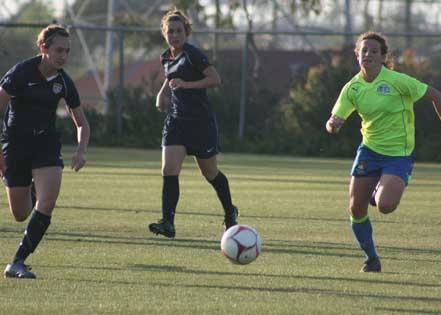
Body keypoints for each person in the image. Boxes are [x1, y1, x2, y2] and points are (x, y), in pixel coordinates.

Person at [326, 31, 441, 272]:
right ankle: (371, 259)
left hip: (398, 154)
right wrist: (333, 125)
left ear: (383, 57)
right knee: (356, 209)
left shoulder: (397, 81)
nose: (368, 54)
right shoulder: (352, 88)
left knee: (386, 205)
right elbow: (335, 118)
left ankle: (378, 192)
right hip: (369, 151)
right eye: (364, 51)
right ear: (357, 56)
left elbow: (435, 95)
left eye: (374, 51)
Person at [0, 24, 90, 279]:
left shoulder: (63, 82)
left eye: (67, 51)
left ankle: (17, 262)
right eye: (59, 50)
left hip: (46, 145)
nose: (63, 56)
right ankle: (31, 187)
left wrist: (82, 150)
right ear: (43, 48)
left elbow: (82, 122)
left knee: (47, 202)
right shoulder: (21, 73)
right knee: (20, 214)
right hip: (15, 146)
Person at [148, 9, 238, 238]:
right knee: (169, 170)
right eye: (170, 31)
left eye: (179, 31)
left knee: (210, 173)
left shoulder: (193, 55)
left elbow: (215, 79)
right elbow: (170, 78)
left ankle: (230, 212)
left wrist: (186, 85)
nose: (175, 35)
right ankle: (168, 222)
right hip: (176, 121)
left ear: (186, 33)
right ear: (164, 33)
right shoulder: (165, 56)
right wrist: (162, 93)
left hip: (200, 123)